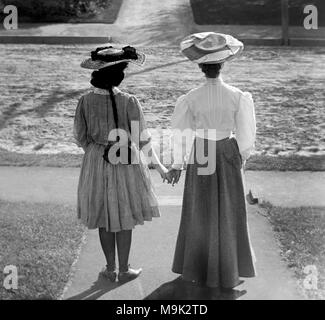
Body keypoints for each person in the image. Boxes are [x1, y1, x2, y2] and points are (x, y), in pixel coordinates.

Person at [167, 32, 257, 290]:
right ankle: (227, 270)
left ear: (201, 66)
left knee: (200, 209)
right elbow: (246, 136)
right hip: (227, 150)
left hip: (201, 152)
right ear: (223, 64)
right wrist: (241, 155)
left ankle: (198, 268)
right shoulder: (238, 96)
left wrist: (177, 164)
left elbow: (180, 135)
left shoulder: (190, 98)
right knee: (229, 209)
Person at [74, 45, 168, 283]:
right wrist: (160, 167)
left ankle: (109, 268)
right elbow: (143, 139)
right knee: (124, 215)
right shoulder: (129, 101)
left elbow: (81, 136)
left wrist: (97, 152)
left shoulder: (85, 101)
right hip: (125, 160)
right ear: (120, 73)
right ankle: (125, 269)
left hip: (96, 160)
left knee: (104, 217)